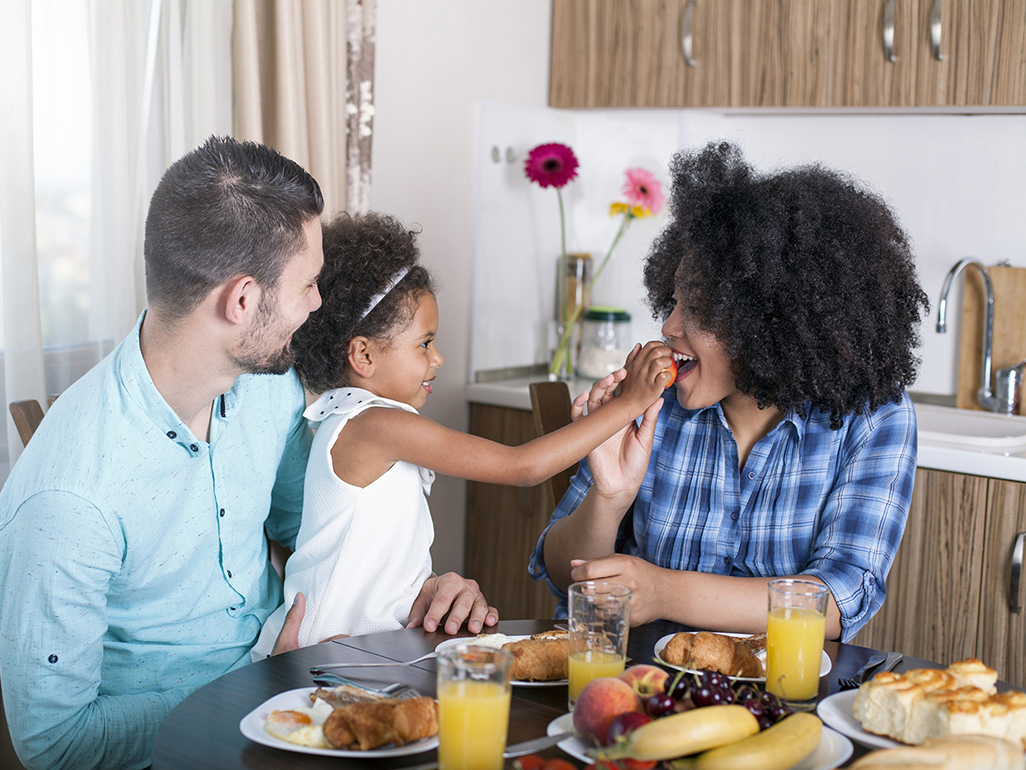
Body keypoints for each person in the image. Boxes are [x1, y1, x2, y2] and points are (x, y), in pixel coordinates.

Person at [0, 137, 483, 770]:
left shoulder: (266, 387)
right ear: (243, 300)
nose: (318, 304)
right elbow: (56, 746)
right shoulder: (68, 499)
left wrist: (421, 586)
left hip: (302, 694)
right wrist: (258, 684)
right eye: (309, 284)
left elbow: (312, 524)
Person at [530, 141, 930, 643]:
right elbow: (559, 572)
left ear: (771, 321)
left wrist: (666, 593)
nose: (669, 325)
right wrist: (609, 497)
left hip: (786, 691)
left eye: (697, 310)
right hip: (650, 682)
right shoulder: (651, 403)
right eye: (673, 303)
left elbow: (840, 597)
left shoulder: (874, 416)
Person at [252, 211, 675, 658]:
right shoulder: (373, 425)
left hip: (361, 647)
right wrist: (629, 404)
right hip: (322, 651)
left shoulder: (354, 420)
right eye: (424, 343)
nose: (437, 359)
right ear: (363, 354)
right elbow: (522, 466)